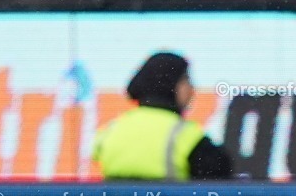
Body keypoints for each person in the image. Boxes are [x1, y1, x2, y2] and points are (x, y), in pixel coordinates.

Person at [93, 53, 233, 180]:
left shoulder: (110, 130)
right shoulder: (186, 136)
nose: (192, 89)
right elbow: (219, 184)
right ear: (170, 85)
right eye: (186, 80)